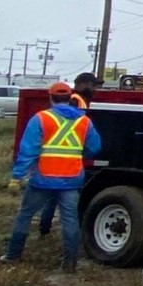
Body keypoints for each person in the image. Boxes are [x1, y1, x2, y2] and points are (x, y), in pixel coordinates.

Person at [1, 81, 100, 272]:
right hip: (71, 179)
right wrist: (78, 155)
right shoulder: (84, 121)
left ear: (51, 98)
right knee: (70, 220)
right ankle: (70, 263)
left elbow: (28, 150)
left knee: (25, 215)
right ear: (70, 98)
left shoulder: (41, 119)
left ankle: (13, 256)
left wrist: (16, 177)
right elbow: (95, 147)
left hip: (43, 179)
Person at [41, 71, 103, 235]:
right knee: (59, 201)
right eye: (93, 85)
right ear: (83, 85)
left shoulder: (78, 99)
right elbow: (74, 127)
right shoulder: (76, 101)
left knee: (52, 197)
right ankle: (47, 229)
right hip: (68, 158)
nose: (96, 89)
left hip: (63, 158)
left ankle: (44, 228)